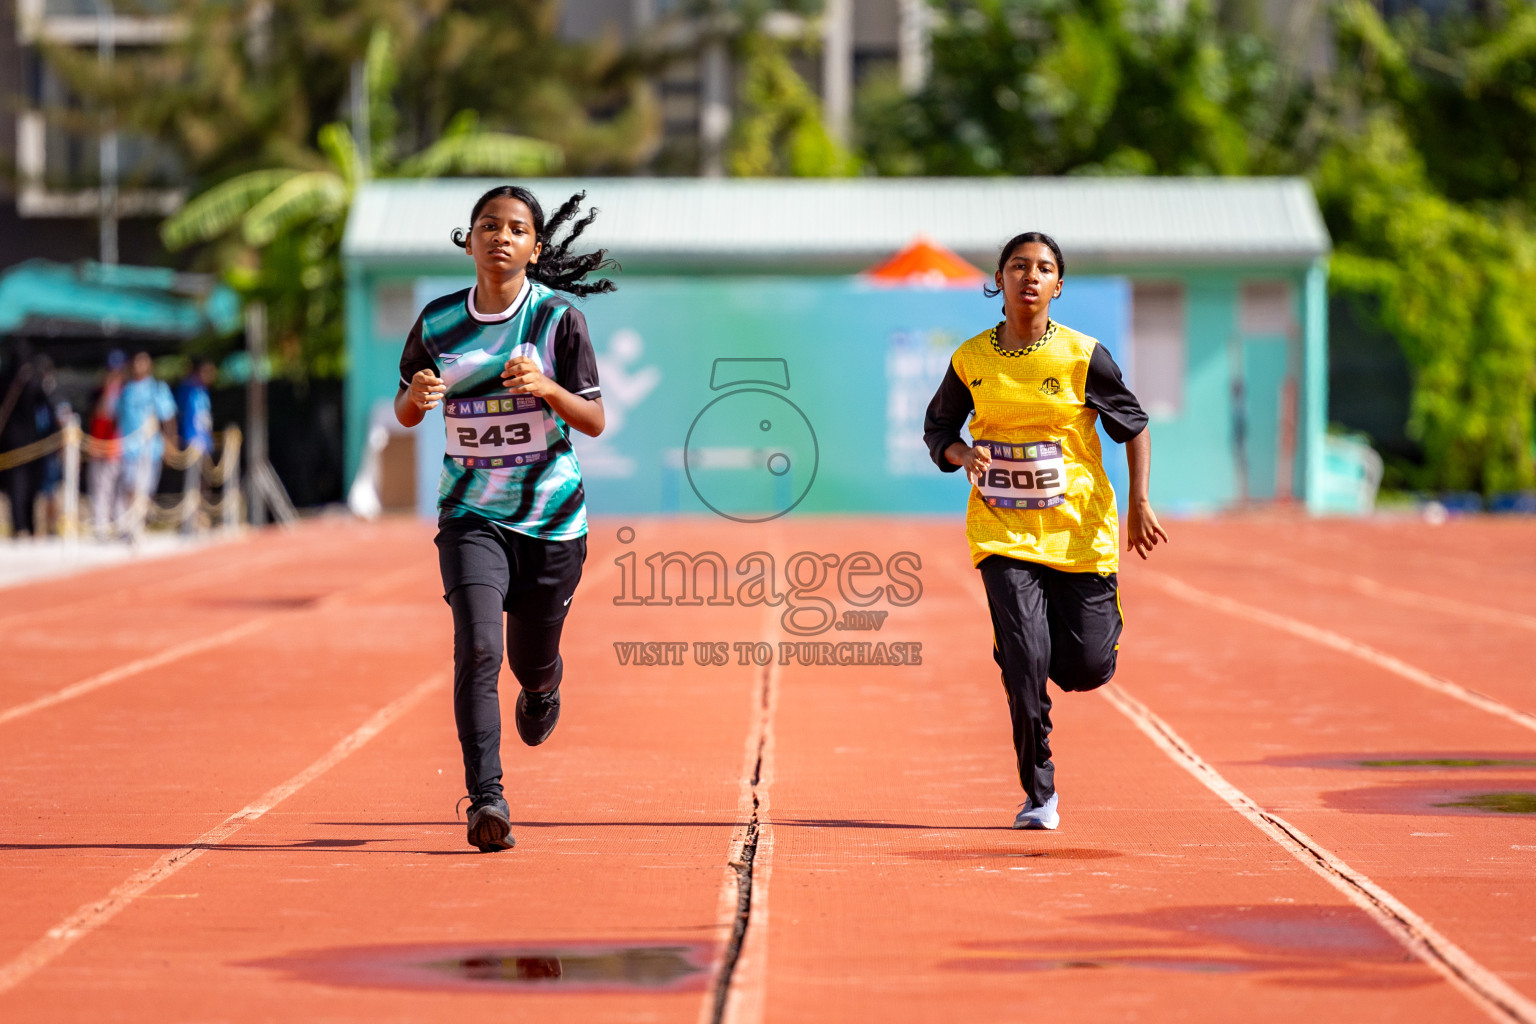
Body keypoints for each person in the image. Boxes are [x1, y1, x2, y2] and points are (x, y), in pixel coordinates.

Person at [923, 231, 1169, 831]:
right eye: (1018, 266)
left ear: (1058, 285)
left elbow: (1134, 426)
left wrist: (1138, 502)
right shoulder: (970, 359)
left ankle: (1028, 649)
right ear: (1000, 280)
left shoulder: (1084, 356)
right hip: (1002, 531)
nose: (1030, 277)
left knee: (1083, 668)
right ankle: (1040, 794)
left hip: (1078, 532)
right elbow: (938, 432)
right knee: (1027, 663)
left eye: (1043, 269)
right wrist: (963, 454)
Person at [395, 184, 614, 853]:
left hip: (550, 520)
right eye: (487, 225)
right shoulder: (436, 323)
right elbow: (404, 411)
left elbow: (595, 420)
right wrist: (418, 396)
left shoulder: (557, 321)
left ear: (534, 248)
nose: (499, 237)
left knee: (530, 663)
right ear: (469, 239)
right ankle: (486, 797)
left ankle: (545, 689)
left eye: (515, 229)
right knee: (479, 648)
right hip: (470, 514)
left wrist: (546, 387)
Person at [116, 352, 177, 541]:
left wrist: (171, 441)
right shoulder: (126, 389)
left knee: (145, 488)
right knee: (130, 486)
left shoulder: (157, 388)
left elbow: (168, 416)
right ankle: (128, 524)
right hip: (129, 447)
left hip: (150, 448)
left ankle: (138, 524)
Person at [175, 359, 216, 532]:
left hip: (203, 441)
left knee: (203, 481)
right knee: (192, 481)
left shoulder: (203, 391)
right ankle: (191, 518)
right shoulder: (187, 390)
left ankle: (200, 515)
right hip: (192, 441)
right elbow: (179, 413)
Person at [89, 350, 127, 538]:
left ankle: (120, 525)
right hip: (99, 447)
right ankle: (100, 526)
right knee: (100, 489)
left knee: (119, 490)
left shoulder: (126, 393)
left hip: (118, 448)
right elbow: (100, 413)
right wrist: (107, 391)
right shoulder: (97, 392)